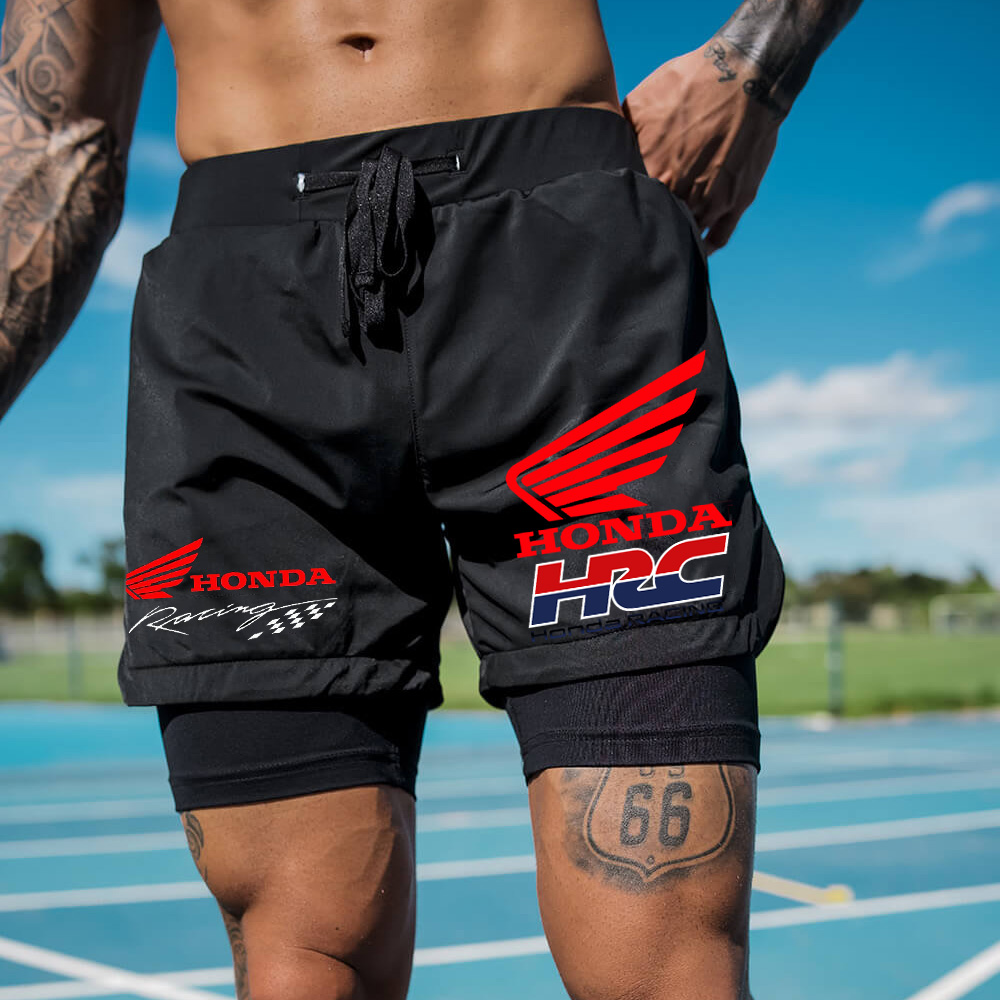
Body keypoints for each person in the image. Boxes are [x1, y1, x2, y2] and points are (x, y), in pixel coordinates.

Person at [0, 1, 861, 997]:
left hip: (562, 266)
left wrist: (758, 62)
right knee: (302, 945)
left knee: (660, 947)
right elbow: (49, 131)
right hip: (243, 317)